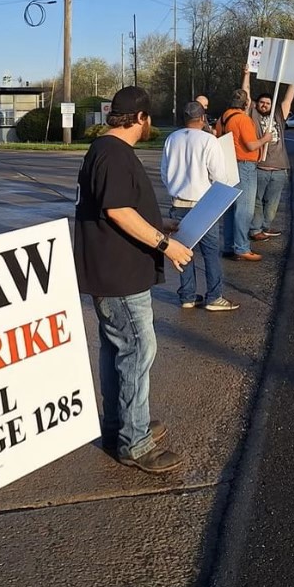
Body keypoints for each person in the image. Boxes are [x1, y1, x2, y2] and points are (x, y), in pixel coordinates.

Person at [74, 86, 192, 474]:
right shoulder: (113, 153)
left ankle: (120, 426)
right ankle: (135, 443)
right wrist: (165, 245)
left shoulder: (104, 150)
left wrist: (162, 225)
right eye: (148, 118)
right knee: (137, 351)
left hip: (113, 270)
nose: (149, 124)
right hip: (119, 274)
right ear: (140, 118)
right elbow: (118, 211)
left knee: (118, 351)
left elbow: (123, 208)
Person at [160, 102, 238, 312]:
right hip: (203, 204)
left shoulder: (172, 139)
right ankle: (214, 296)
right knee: (211, 252)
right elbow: (219, 176)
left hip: (178, 203)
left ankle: (187, 295)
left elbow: (164, 172)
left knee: (183, 252)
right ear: (203, 118)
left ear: (184, 119)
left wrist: (175, 188)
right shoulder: (208, 140)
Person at [241, 68, 294, 242]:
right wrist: (247, 74)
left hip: (279, 168)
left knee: (272, 203)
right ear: (257, 104)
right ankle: (255, 229)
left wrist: (293, 79)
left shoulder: (278, 114)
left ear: (272, 105)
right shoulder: (253, 115)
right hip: (260, 166)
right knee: (257, 200)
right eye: (262, 103)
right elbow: (246, 94)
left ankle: (265, 226)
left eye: (268, 103)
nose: (264, 105)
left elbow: (288, 99)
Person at [215, 87, 265, 262]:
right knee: (244, 208)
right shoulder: (243, 120)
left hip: (228, 163)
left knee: (230, 208)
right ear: (245, 103)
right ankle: (242, 247)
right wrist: (265, 139)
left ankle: (229, 245)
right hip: (244, 164)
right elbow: (251, 145)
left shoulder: (223, 118)